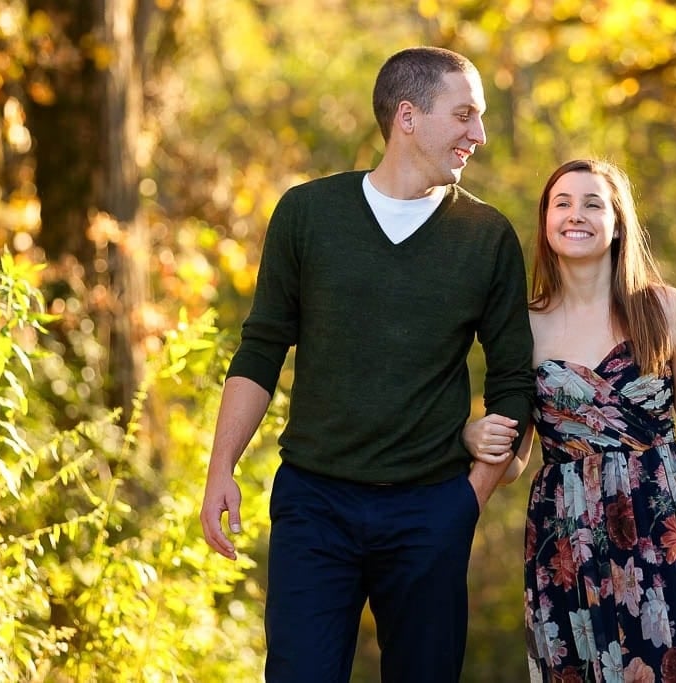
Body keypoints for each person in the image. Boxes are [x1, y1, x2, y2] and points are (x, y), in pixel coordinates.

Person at [199, 46, 535, 683]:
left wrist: (473, 495)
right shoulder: (307, 214)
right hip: (314, 505)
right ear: (407, 116)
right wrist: (222, 467)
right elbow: (262, 348)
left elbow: (515, 378)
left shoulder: (486, 236)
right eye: (464, 115)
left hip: (431, 509)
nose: (479, 135)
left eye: (481, 117)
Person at [465, 159, 676, 682]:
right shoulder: (523, 326)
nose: (575, 215)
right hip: (567, 535)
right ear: (545, 221)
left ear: (617, 221)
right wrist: (472, 435)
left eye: (592, 203)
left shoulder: (665, 310)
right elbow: (516, 460)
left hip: (664, 523)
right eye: (561, 203)